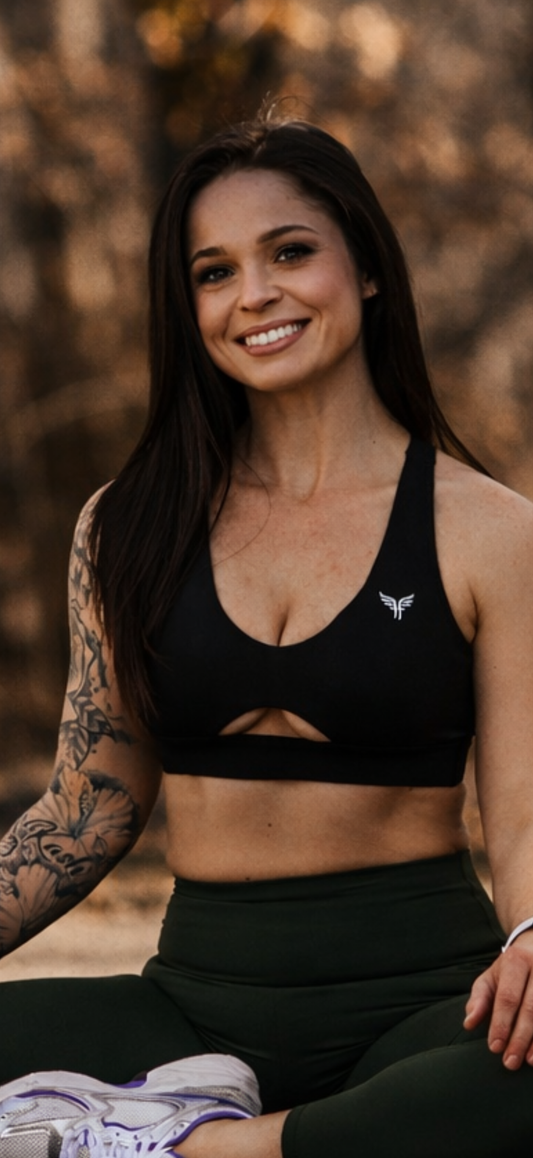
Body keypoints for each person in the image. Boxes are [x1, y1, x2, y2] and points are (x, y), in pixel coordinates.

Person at [1, 111, 533, 1158]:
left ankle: (180, 1147)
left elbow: (519, 818)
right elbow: (80, 815)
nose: (254, 295)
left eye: (290, 252)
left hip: (428, 1004)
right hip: (191, 1014)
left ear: (366, 268)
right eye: (212, 271)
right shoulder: (127, 525)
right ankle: (231, 1131)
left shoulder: (490, 530)